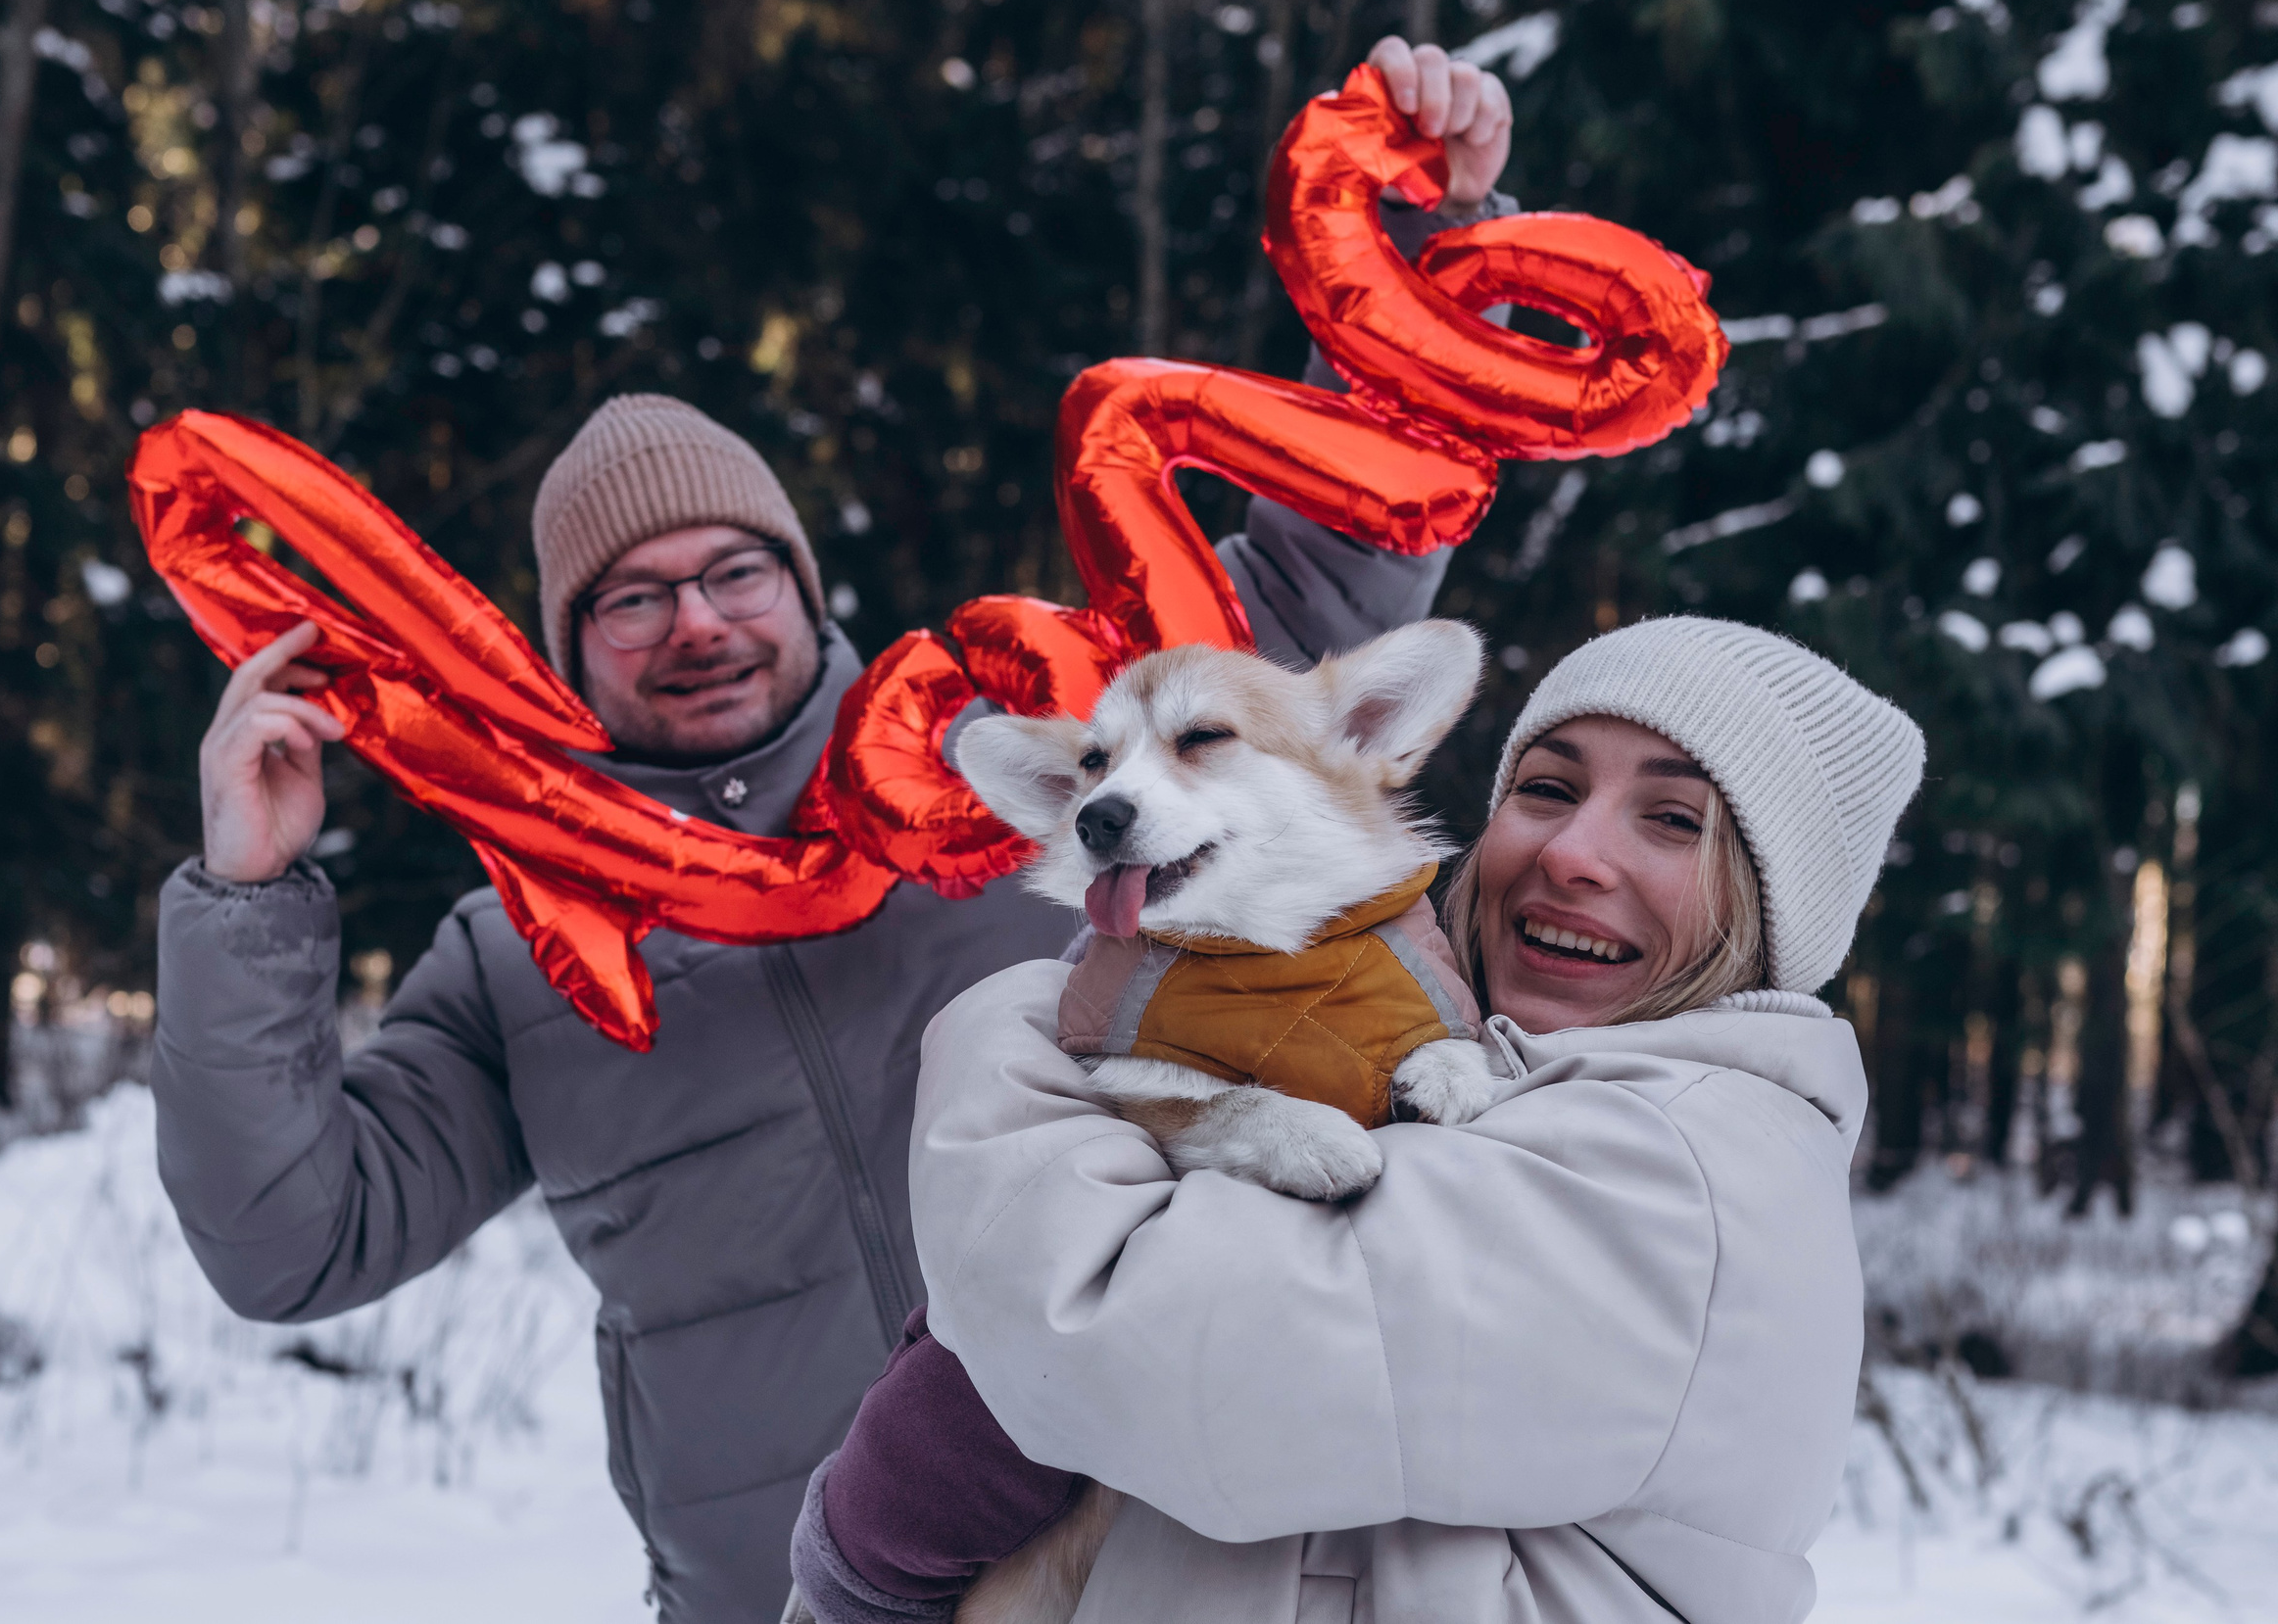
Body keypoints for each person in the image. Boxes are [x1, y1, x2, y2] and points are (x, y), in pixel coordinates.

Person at [151, 36, 1515, 1624]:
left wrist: (1419, 244)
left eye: (737, 572)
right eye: (632, 599)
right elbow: (294, 1241)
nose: (697, 622)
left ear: (806, 592)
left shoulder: (1032, 765)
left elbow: (1309, 589)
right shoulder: (522, 955)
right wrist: (244, 893)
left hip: (1162, 1566)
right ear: (567, 648)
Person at [790, 616, 1925, 1623]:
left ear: (1768, 901)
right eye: (1545, 788)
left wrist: (1013, 1022)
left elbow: (1128, 1349)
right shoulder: (1468, 1064)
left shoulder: (1690, 1164)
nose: (1574, 853)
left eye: (1672, 818)